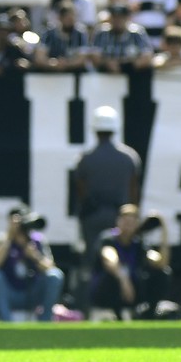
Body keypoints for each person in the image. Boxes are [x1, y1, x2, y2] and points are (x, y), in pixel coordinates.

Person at [74, 106, 142, 269]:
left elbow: (81, 191)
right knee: (122, 259)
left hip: (92, 218)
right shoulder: (129, 157)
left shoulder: (85, 158)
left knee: (92, 259)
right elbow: (134, 192)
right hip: (120, 219)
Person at [90, 205, 171, 320]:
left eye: (132, 222)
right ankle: (116, 315)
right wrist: (124, 279)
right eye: (125, 221)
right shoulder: (108, 239)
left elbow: (161, 263)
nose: (128, 225)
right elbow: (110, 259)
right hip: (110, 291)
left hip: (133, 290)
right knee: (112, 277)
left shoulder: (138, 244)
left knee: (162, 273)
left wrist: (164, 230)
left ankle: (150, 313)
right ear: (118, 221)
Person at [0, 206, 65, 322]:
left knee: (55, 275)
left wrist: (34, 256)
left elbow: (51, 268)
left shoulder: (37, 241)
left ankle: (46, 322)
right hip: (12, 292)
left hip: (33, 291)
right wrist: (9, 238)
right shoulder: (3, 239)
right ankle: (7, 324)